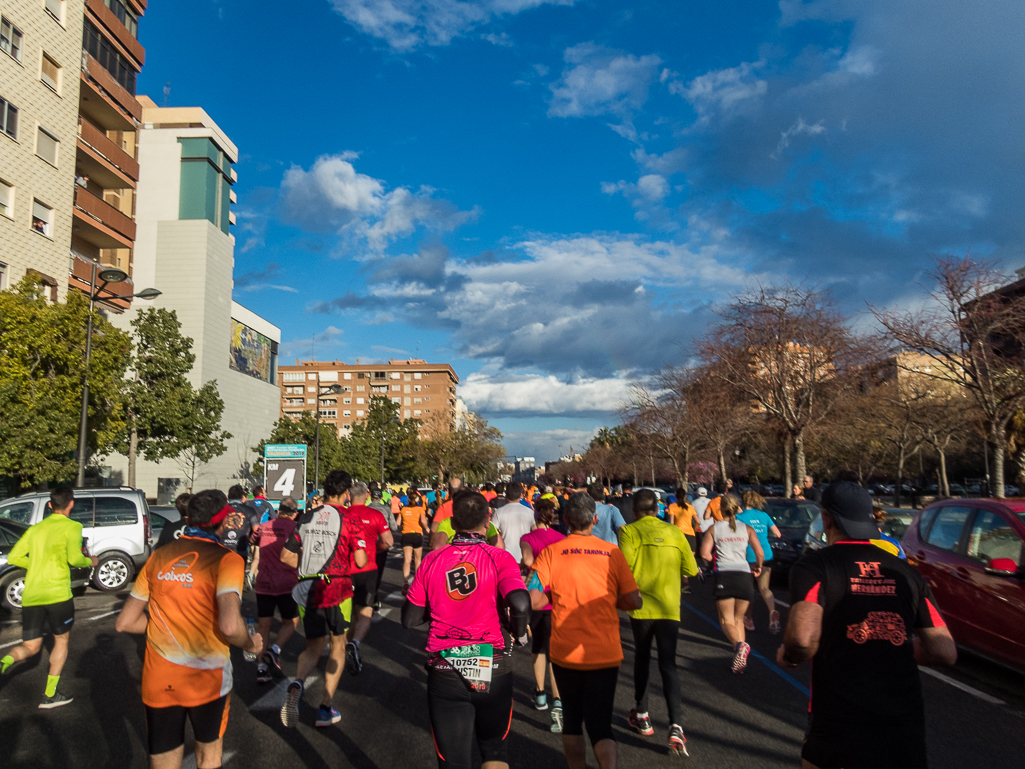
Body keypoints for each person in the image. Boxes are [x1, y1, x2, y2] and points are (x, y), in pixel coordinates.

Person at [777, 481, 957, 769]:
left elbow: (801, 640)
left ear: (826, 519)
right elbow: (944, 650)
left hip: (839, 714)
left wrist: (788, 655)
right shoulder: (905, 572)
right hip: (902, 719)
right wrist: (887, 642)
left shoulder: (815, 567)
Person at [115, 489, 262, 769]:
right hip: (207, 677)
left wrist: (166, 625)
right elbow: (230, 626)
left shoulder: (159, 557)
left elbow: (125, 622)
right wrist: (252, 645)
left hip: (160, 678)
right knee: (208, 758)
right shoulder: (227, 559)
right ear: (222, 521)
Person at [402, 491, 530, 769]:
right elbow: (520, 601)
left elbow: (409, 620)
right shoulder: (499, 557)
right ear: (487, 521)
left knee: (454, 761)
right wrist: (519, 633)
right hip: (493, 664)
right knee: (494, 750)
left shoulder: (432, 560)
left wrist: (432, 603)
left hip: (446, 668)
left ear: (453, 521)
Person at [530, 493, 642, 769]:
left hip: (565, 651)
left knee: (572, 720)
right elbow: (634, 600)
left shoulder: (551, 552)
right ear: (594, 519)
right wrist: (608, 598)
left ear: (566, 520)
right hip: (605, 651)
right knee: (601, 723)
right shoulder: (613, 553)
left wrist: (554, 597)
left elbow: (533, 598)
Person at [279, 470, 368, 728]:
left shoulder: (306, 517)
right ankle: (325, 707)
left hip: (307, 588)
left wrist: (309, 564)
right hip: (338, 589)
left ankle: (297, 682)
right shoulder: (350, 520)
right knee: (338, 646)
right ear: (345, 494)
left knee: (313, 646)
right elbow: (361, 561)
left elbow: (286, 557)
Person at [617, 489, 698, 756]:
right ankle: (676, 726)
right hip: (668, 608)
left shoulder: (629, 532)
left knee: (642, 658)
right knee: (668, 664)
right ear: (658, 508)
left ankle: (642, 714)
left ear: (634, 510)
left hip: (641, 608)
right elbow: (691, 569)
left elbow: (624, 567)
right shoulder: (675, 533)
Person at [1, 487, 98, 708]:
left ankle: (3, 661)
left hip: (32, 595)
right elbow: (75, 559)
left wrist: (36, 564)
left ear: (49, 505)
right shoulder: (73, 527)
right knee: (61, 640)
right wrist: (90, 561)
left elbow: (15, 556)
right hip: (57, 595)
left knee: (30, 646)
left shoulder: (35, 530)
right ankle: (50, 695)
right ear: (71, 504)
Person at [699, 493, 764, 673]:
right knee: (738, 620)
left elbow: (704, 554)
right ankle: (740, 661)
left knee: (726, 620)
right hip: (744, 575)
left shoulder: (714, 528)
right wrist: (757, 567)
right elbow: (760, 553)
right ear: (737, 509)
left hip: (725, 575)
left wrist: (713, 562)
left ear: (721, 509)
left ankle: (739, 646)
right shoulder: (747, 528)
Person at [519, 498, 566, 730]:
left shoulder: (528, 538)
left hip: (536, 597)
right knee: (555, 651)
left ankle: (540, 694)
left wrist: (533, 567)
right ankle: (558, 700)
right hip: (558, 598)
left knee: (538, 646)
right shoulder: (562, 539)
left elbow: (527, 560)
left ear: (535, 515)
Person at [344, 482, 394, 675]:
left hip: (344, 571)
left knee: (349, 614)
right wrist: (375, 550)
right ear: (366, 495)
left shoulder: (343, 515)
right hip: (368, 568)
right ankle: (355, 643)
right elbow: (388, 541)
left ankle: (346, 645)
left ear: (348, 495)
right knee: (365, 612)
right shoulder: (375, 515)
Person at [252, 496, 300, 684]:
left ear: (278, 511)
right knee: (291, 622)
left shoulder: (265, 527)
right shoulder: (295, 528)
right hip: (287, 582)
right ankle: (275, 649)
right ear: (295, 513)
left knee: (264, 626)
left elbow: (253, 539)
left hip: (264, 582)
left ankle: (262, 668)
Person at [737, 490, 782, 634]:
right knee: (764, 588)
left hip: (749, 555)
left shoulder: (740, 517)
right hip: (766, 554)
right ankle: (772, 612)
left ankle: (749, 619)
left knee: (749, 589)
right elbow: (778, 533)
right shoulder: (764, 515)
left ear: (742, 501)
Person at [492, 482, 535, 557]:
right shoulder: (530, 512)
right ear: (521, 495)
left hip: (506, 555)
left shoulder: (498, 512)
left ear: (506, 494)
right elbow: (535, 532)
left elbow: (492, 534)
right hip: (525, 554)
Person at [398, 490, 429, 595]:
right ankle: (416, 582)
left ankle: (405, 581)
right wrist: (427, 528)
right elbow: (423, 521)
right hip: (417, 534)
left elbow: (398, 522)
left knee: (407, 560)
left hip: (406, 535)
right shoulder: (420, 509)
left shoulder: (403, 509)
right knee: (417, 560)